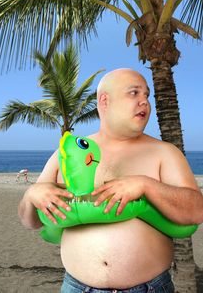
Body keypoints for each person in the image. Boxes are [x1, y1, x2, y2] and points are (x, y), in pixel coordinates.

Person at [18, 68, 203, 292]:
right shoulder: (69, 153)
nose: (144, 102)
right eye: (134, 93)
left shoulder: (165, 153)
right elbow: (30, 222)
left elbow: (196, 210)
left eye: (147, 95)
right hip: (77, 287)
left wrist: (146, 185)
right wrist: (31, 196)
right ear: (105, 100)